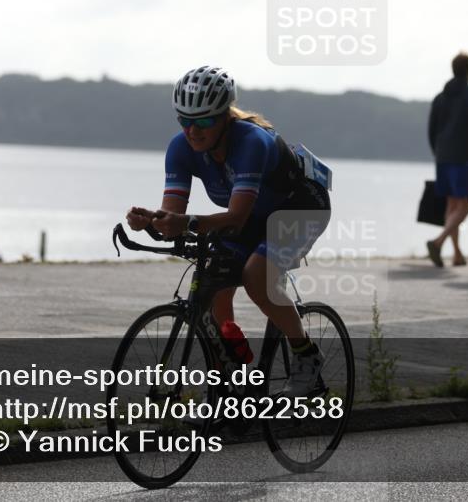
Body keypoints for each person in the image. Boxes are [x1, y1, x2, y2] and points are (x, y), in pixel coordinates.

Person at [126, 66, 331, 396]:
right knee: (214, 280)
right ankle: (234, 373)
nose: (193, 130)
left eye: (204, 121)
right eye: (185, 120)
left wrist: (184, 222)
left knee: (256, 276)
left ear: (224, 116)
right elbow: (175, 217)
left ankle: (306, 355)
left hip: (300, 210)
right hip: (252, 217)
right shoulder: (180, 149)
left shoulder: (252, 142)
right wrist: (153, 220)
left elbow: (235, 217)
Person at [425, 52, 468, 268]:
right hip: (463, 158)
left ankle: (456, 253)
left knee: (452, 204)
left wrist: (437, 151)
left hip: (442, 155)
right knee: (465, 206)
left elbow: (432, 129)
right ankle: (438, 241)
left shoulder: (439, 98)